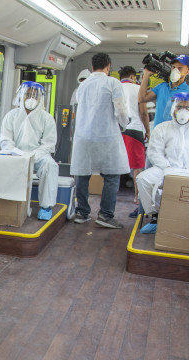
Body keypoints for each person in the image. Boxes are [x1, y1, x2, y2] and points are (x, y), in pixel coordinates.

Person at [135, 93, 189, 231]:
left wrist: (188, 170)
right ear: (173, 109)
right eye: (180, 107)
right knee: (143, 179)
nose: (183, 111)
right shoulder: (162, 128)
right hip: (165, 169)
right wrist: (168, 168)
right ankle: (157, 215)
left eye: (188, 108)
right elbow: (154, 153)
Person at [70, 53, 130, 229]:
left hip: (84, 137)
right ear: (108, 66)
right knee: (111, 176)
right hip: (106, 136)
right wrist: (124, 125)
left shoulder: (82, 86)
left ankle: (82, 212)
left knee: (83, 175)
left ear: (92, 66)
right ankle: (105, 215)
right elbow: (120, 109)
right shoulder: (113, 83)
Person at [0, 81, 58, 221]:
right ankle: (7, 203)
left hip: (38, 156)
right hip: (15, 155)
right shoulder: (11, 116)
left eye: (34, 95)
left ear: (40, 98)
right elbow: (6, 141)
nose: (31, 98)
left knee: (50, 165)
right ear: (21, 95)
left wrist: (33, 156)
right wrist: (17, 153)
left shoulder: (47, 118)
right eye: (28, 94)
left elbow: (48, 144)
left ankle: (46, 206)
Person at [117, 66, 150, 217]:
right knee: (138, 167)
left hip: (117, 129)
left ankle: (111, 195)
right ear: (132, 76)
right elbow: (143, 112)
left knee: (114, 166)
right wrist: (147, 130)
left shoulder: (115, 88)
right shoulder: (138, 89)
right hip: (134, 129)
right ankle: (137, 197)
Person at [139, 54, 189, 128]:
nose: (175, 70)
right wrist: (146, 75)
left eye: (180, 68)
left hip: (175, 133)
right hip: (158, 131)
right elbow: (142, 98)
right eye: (173, 67)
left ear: (187, 71)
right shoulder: (162, 86)